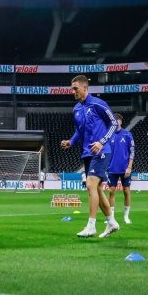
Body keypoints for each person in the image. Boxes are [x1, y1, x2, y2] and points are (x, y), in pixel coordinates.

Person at [60, 74, 120, 238]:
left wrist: (102, 142)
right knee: (97, 189)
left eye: (75, 88)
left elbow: (113, 123)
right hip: (87, 153)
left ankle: (91, 226)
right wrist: (71, 142)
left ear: (85, 87)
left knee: (90, 185)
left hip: (101, 151)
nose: (73, 92)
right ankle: (111, 222)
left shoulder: (98, 104)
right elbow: (79, 131)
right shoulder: (76, 109)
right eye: (72, 89)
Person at [106, 113, 135, 225]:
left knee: (126, 191)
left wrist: (129, 167)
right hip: (112, 168)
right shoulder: (109, 135)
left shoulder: (127, 134)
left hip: (125, 168)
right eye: (114, 120)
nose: (116, 122)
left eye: (118, 120)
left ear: (121, 122)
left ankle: (126, 216)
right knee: (111, 191)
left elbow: (132, 151)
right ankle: (111, 217)